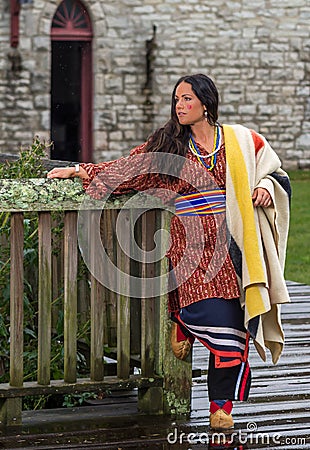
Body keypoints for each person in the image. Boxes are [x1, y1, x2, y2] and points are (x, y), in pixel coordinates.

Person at [47, 73, 291, 431]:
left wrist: (267, 187)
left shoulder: (240, 141)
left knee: (235, 337)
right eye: (176, 99)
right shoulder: (170, 146)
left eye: (187, 99)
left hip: (232, 253)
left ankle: (220, 407)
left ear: (206, 104)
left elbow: (275, 171)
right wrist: (80, 171)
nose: (179, 106)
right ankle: (182, 320)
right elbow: (129, 168)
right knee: (222, 330)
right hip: (190, 253)